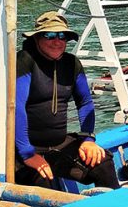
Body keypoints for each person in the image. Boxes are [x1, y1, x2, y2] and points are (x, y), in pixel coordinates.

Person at [14, 11, 120, 190]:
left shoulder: (72, 63)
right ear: (37, 38)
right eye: (50, 35)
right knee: (42, 183)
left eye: (62, 36)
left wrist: (87, 138)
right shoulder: (25, 60)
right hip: (27, 148)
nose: (57, 41)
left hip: (59, 144)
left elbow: (85, 102)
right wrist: (27, 154)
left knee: (104, 164)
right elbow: (17, 107)